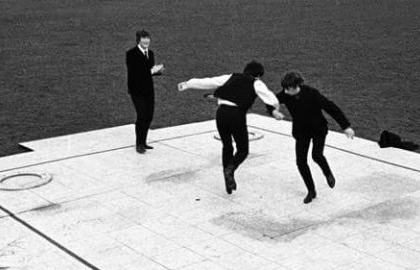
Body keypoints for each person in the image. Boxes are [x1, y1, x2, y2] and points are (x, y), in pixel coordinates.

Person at [177, 61, 283, 194]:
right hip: (236, 115)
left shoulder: (231, 76)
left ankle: (227, 179)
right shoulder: (256, 82)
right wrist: (276, 109)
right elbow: (270, 98)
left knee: (227, 146)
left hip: (221, 114)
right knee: (242, 150)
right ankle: (231, 169)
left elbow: (209, 81)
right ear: (258, 75)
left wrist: (188, 84)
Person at [272, 71, 355, 203]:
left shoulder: (311, 93)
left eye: (289, 89)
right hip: (301, 131)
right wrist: (274, 111)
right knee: (301, 162)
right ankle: (311, 190)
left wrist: (346, 126)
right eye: (285, 89)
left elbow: (330, 107)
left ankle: (327, 172)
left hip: (318, 129)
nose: (286, 92)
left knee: (316, 155)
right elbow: (271, 101)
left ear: (296, 86)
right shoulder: (285, 94)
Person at [125, 29, 164, 154]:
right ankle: (139, 144)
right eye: (144, 38)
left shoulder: (150, 53)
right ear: (139, 40)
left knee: (149, 116)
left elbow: (147, 73)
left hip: (148, 90)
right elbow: (135, 73)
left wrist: (157, 71)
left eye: (148, 38)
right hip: (137, 91)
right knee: (141, 115)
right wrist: (151, 71)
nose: (146, 41)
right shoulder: (131, 54)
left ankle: (144, 141)